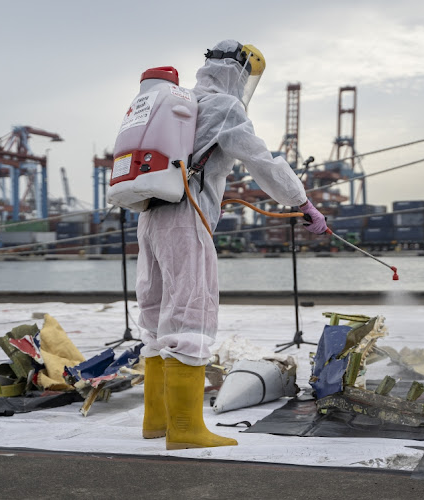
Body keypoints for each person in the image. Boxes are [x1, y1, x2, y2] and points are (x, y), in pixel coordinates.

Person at [137, 40, 327, 450]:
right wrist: (302, 202)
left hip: (149, 215)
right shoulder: (224, 107)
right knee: (191, 315)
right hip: (186, 216)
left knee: (154, 317)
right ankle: (186, 430)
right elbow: (262, 161)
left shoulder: (179, 103)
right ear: (239, 73)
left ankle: (156, 421)